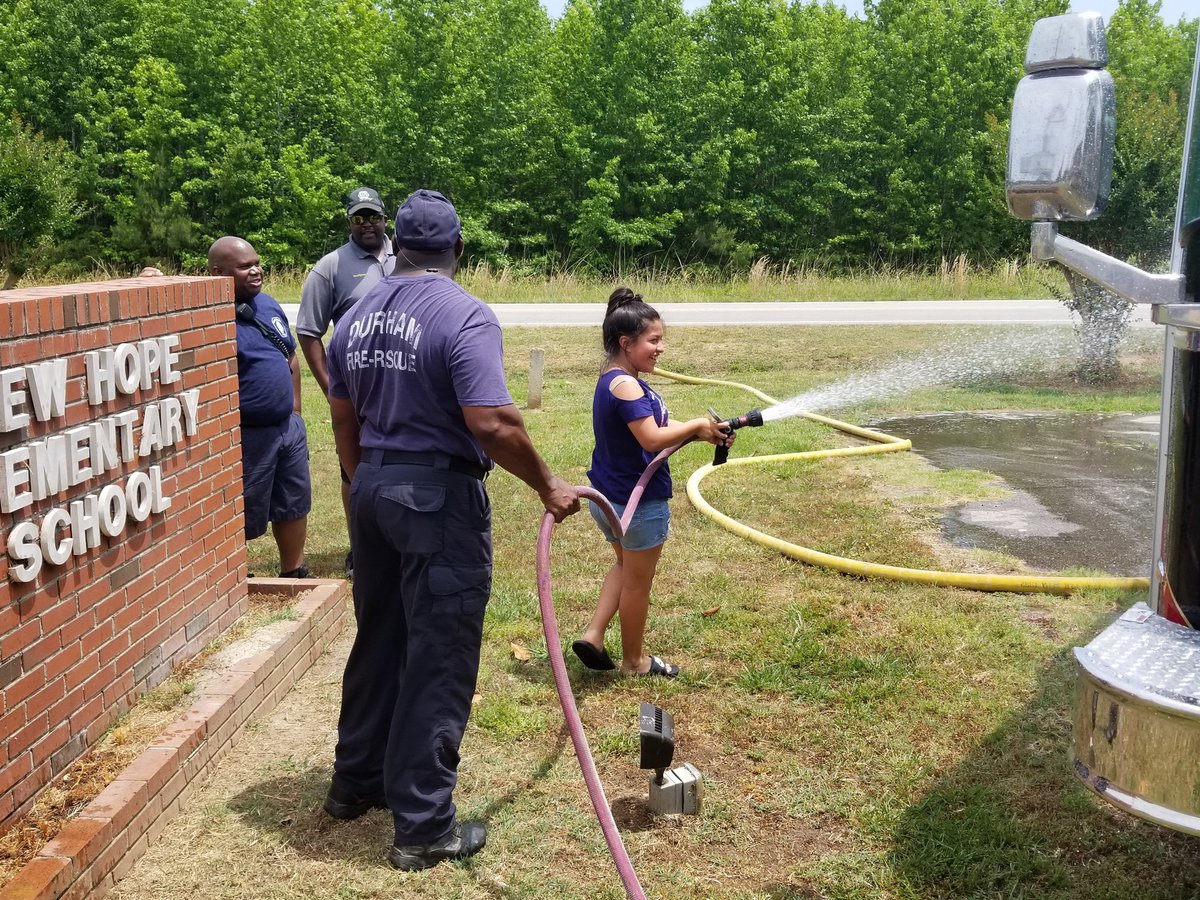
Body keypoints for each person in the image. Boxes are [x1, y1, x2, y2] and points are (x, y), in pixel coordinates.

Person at [323, 189, 580, 871]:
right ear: (457, 249)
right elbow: (492, 422)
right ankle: (424, 825)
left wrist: (361, 487)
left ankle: (356, 782)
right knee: (438, 656)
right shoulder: (464, 314)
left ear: (395, 244)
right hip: (436, 498)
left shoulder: (355, 315)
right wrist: (549, 485)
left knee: (379, 637)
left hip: (373, 487)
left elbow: (343, 419)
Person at [572, 288, 731, 678]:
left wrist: (701, 432)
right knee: (637, 585)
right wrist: (694, 425)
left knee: (625, 567)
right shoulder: (627, 385)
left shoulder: (614, 377)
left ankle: (593, 635)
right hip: (636, 506)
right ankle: (634, 662)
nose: (661, 348)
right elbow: (650, 439)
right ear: (626, 343)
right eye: (653, 340)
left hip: (609, 499)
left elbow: (654, 428)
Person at [297, 186, 396, 579]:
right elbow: (309, 332)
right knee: (353, 469)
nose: (367, 224)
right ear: (348, 222)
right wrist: (330, 386)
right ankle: (363, 548)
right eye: (359, 217)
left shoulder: (403, 255)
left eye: (373, 216)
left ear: (385, 218)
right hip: (357, 390)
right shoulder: (331, 266)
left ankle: (396, 539)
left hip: (403, 383)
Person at [208, 236, 311, 578]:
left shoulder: (267, 305)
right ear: (218, 273)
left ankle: (293, 570)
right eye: (244, 267)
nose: (255, 271)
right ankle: (236, 575)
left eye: (256, 263)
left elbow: (291, 357)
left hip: (286, 428)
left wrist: (295, 411)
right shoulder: (210, 316)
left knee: (293, 502)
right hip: (247, 434)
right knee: (242, 507)